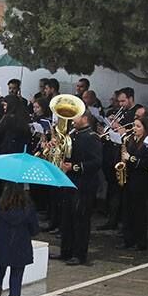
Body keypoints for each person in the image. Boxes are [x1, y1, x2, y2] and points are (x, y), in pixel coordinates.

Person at [60, 111, 101, 265]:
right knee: (67, 217)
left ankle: (79, 254)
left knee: (81, 219)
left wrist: (74, 167)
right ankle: (66, 251)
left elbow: (96, 162)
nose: (72, 120)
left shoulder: (92, 137)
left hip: (84, 183)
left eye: (76, 117)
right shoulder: (72, 135)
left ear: (85, 118)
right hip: (70, 181)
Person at [120, 117, 148, 251]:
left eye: (138, 126)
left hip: (142, 181)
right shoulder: (130, 139)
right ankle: (128, 239)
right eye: (134, 126)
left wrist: (131, 158)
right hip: (130, 179)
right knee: (128, 210)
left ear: (145, 128)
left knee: (139, 211)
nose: (135, 129)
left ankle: (140, 241)